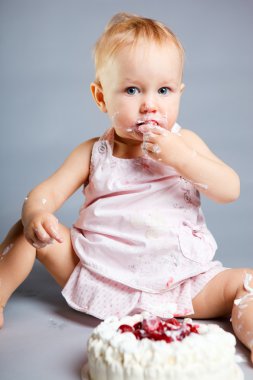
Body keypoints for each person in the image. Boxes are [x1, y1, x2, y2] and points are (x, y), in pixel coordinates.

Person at [1, 12, 253, 362]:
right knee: (28, 231)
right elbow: (46, 193)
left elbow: (231, 189)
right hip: (98, 275)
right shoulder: (94, 153)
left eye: (164, 90)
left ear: (179, 94)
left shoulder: (187, 144)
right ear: (101, 97)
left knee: (246, 284)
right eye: (132, 90)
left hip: (181, 282)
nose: (150, 104)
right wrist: (36, 214)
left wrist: (184, 159)